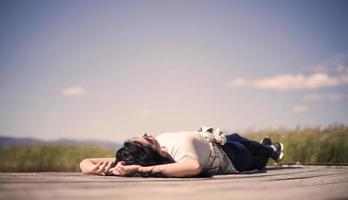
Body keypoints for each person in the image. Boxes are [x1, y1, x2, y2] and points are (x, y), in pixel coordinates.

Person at [80, 127, 284, 177]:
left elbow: (85, 161)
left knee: (238, 137)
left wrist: (93, 169)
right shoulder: (179, 152)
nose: (146, 133)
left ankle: (269, 148)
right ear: (149, 147)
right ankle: (269, 150)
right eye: (144, 138)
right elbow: (194, 166)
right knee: (252, 156)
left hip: (214, 140)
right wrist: (141, 169)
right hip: (232, 157)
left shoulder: (141, 156)